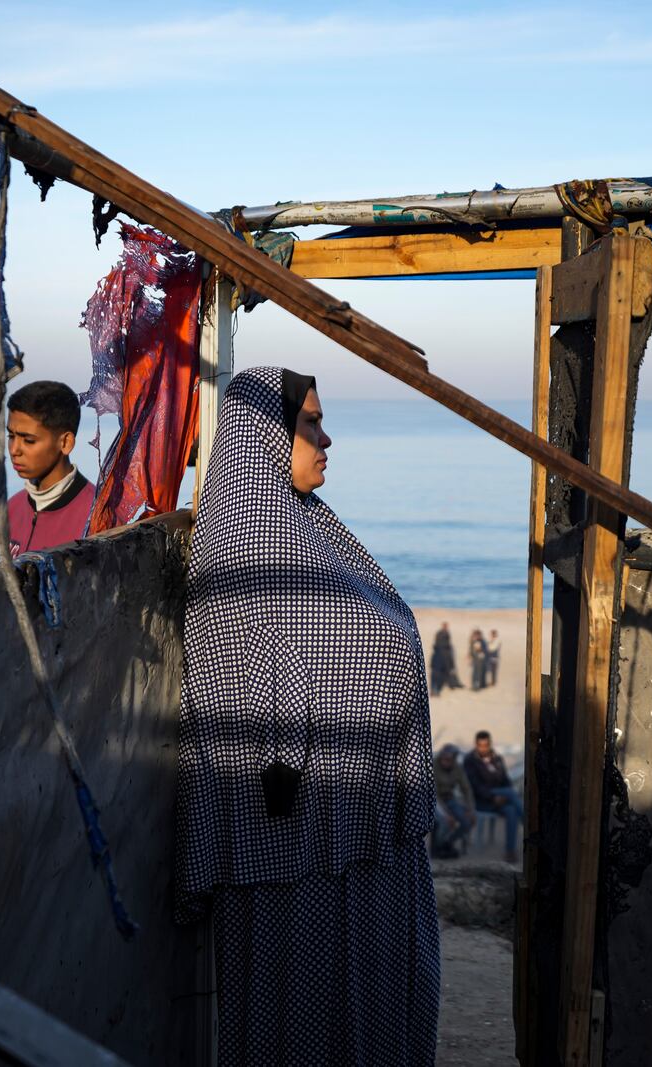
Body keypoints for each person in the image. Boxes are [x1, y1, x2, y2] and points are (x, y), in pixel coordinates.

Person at [174, 367, 440, 1065]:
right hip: (296, 866)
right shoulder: (244, 552)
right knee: (300, 1032)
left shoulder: (311, 529)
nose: (328, 439)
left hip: (363, 847)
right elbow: (229, 722)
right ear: (263, 435)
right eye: (310, 423)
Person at [5, 381, 95, 555]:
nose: (14, 450)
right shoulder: (11, 509)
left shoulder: (96, 517)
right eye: (11, 436)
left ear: (65, 442)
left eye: (28, 440)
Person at [464, 730, 523, 864]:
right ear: (476, 744)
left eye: (486, 745)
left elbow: (505, 780)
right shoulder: (470, 761)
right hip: (482, 801)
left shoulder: (497, 759)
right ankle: (527, 821)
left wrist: (501, 796)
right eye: (480, 745)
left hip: (501, 798)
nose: (483, 748)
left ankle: (510, 851)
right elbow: (475, 786)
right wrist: (493, 797)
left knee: (511, 810)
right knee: (511, 793)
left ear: (490, 744)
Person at [431, 743, 476, 859]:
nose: (445, 761)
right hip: (434, 801)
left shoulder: (457, 768)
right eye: (444, 758)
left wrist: (470, 809)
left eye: (449, 759)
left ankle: (447, 842)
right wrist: (446, 815)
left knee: (467, 822)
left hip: (450, 798)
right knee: (445, 822)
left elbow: (466, 789)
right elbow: (434, 794)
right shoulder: (433, 766)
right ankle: (438, 847)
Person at [430, 622, 464, 694]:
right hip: (441, 663)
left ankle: (436, 690)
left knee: (439, 677)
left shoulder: (444, 636)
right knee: (438, 678)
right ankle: (435, 691)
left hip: (441, 662)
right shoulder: (441, 637)